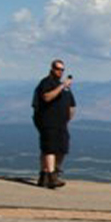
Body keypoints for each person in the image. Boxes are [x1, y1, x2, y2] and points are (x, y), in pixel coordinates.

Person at [32, 58, 76, 189]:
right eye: (58, 69)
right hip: (47, 121)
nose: (60, 71)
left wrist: (69, 117)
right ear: (51, 69)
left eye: (62, 69)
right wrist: (61, 86)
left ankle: (47, 174)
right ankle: (51, 176)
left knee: (62, 148)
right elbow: (47, 97)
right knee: (49, 148)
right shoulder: (46, 83)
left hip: (62, 123)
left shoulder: (65, 89)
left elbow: (72, 105)